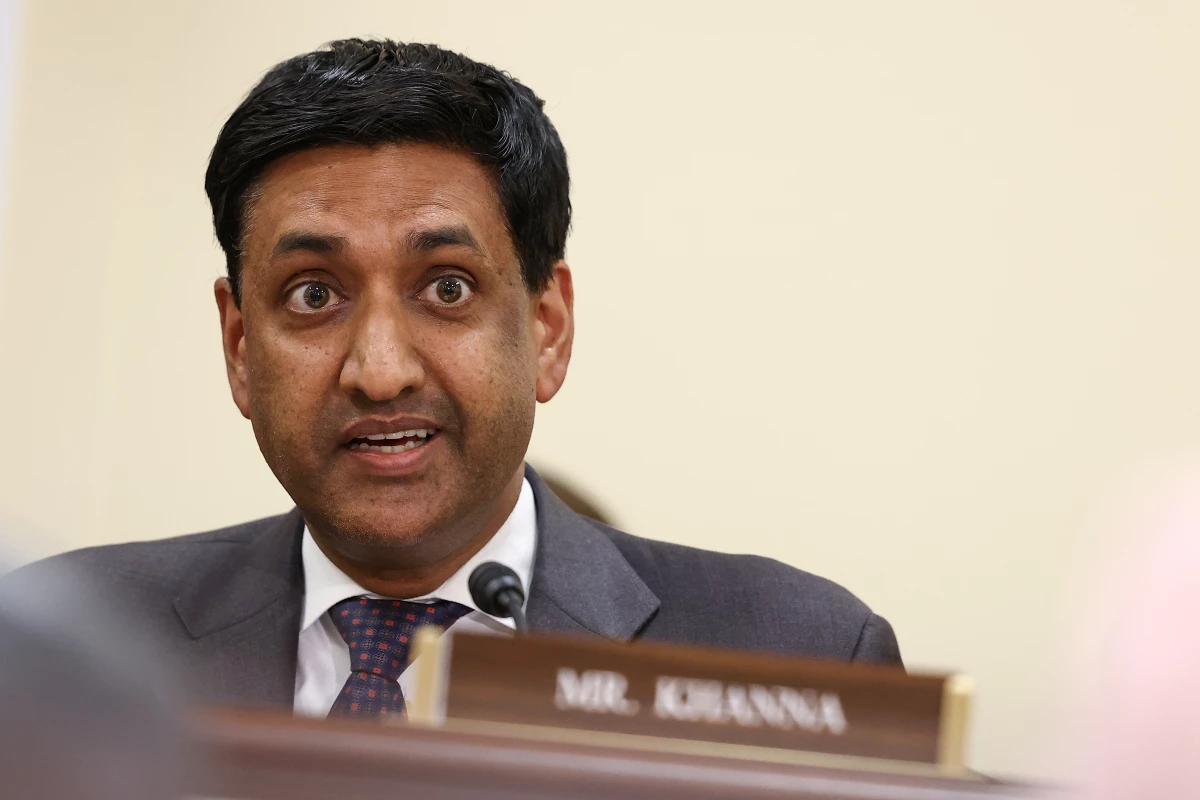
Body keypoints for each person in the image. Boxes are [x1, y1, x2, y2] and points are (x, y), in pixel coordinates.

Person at [5, 40, 901, 717]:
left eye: (447, 288)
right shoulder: (55, 650)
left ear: (547, 329)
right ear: (240, 345)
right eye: (314, 294)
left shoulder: (798, 659)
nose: (381, 371)